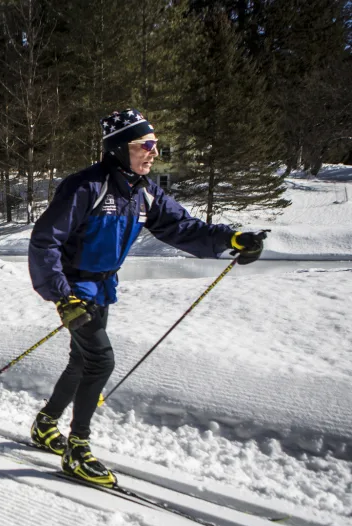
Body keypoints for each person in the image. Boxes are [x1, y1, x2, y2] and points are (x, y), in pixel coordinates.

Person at [27, 109, 268, 486]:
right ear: (122, 148)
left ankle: (45, 425)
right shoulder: (87, 186)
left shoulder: (143, 192)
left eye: (156, 144)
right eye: (147, 145)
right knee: (100, 361)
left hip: (102, 285)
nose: (155, 152)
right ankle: (78, 449)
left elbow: (181, 227)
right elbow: (46, 240)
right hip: (75, 286)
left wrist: (231, 239)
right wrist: (62, 296)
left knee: (82, 360)